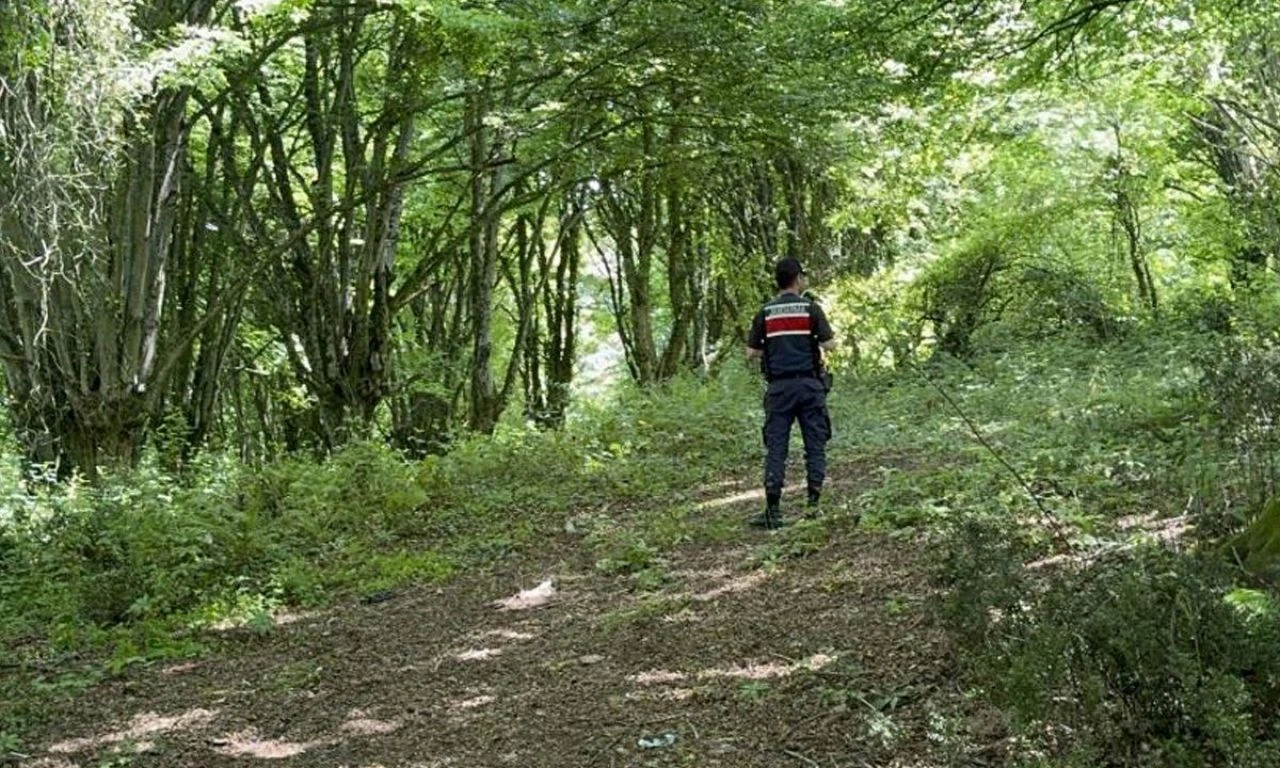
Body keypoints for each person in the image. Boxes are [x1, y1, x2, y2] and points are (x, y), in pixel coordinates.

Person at [745, 257, 837, 529]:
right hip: (810, 386)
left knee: (776, 447)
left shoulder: (765, 312)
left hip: (779, 389)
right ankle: (813, 507)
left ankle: (773, 511)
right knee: (815, 444)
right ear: (798, 278)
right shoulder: (811, 309)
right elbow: (830, 345)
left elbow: (751, 353)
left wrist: (774, 348)